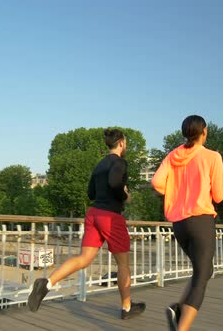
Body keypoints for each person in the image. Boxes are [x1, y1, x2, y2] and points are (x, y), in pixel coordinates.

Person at [27, 128, 146, 320]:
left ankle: (47, 283)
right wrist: (125, 194)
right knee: (123, 264)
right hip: (110, 217)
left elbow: (91, 193)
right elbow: (115, 183)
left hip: (93, 214)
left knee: (84, 258)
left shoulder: (99, 165)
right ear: (122, 143)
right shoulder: (120, 162)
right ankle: (126, 308)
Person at [151, 115, 223, 331]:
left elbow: (156, 182)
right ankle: (181, 327)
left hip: (179, 224)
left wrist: (174, 193)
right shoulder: (212, 156)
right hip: (201, 221)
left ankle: (179, 310)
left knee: (203, 270)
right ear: (204, 132)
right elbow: (219, 196)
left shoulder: (173, 155)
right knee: (202, 276)